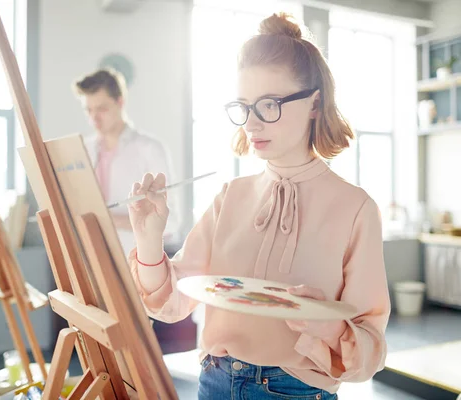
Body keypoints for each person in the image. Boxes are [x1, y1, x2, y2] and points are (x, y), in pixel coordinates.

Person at [127, 13, 390, 400]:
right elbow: (172, 303)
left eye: (269, 105)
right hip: (215, 382)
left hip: (296, 391)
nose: (251, 123)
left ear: (315, 103)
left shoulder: (356, 209)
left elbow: (370, 353)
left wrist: (325, 324)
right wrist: (149, 241)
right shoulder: (229, 196)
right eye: (243, 106)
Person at [73, 67, 179, 253]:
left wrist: (107, 218)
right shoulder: (83, 150)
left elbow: (172, 222)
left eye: (101, 109)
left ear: (120, 102)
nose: (93, 119)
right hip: (89, 258)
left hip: (134, 263)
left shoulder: (150, 149)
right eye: (88, 110)